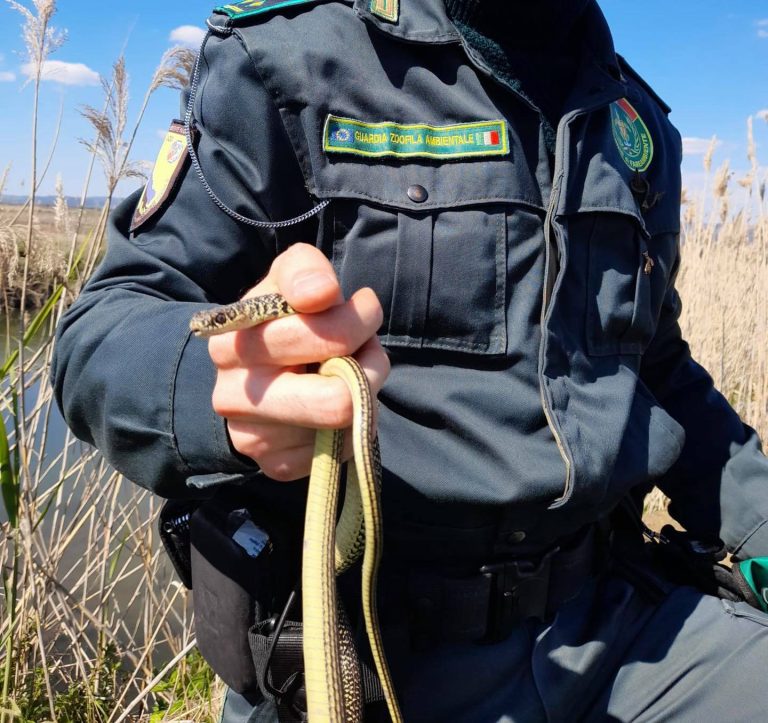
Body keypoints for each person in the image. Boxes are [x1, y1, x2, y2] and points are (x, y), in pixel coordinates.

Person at [52, 0, 768, 720]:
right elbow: (99, 336)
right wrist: (222, 390)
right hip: (368, 660)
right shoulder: (283, 59)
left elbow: (658, 368)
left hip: (619, 627)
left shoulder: (637, 126)